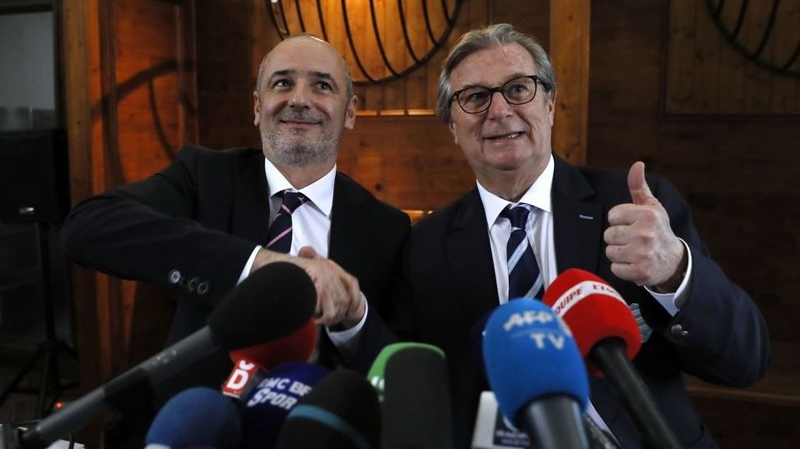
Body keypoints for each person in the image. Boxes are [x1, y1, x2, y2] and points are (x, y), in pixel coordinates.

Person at [379, 23, 769, 449]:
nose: (499, 110)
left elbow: (745, 361)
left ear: (549, 104)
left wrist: (674, 272)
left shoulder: (636, 208)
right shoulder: (425, 246)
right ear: (452, 126)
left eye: (518, 88)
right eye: (474, 97)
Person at [61, 34, 409, 395]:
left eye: (322, 85)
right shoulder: (204, 176)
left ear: (350, 112)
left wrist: (354, 318)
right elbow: (87, 226)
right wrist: (260, 265)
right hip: (202, 423)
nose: (300, 99)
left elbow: (402, 368)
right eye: (283, 83)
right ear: (258, 106)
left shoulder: (387, 227)